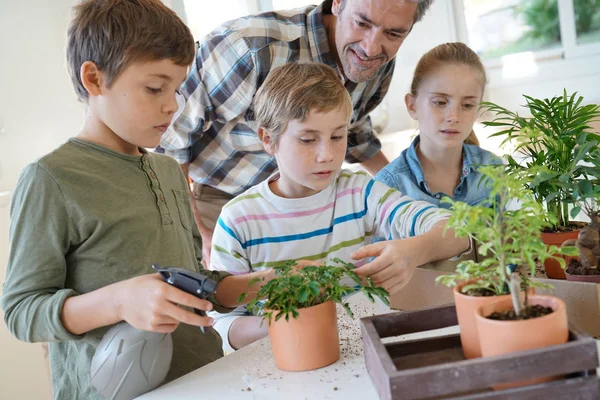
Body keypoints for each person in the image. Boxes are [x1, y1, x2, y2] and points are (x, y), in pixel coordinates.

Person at [0, 1, 275, 398]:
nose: (172, 105)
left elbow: (187, 284)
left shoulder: (169, 171)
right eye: (154, 87)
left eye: (177, 89)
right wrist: (118, 301)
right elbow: (21, 312)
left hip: (206, 379)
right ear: (95, 79)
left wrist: (263, 284)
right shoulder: (51, 179)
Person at [208, 61, 471, 352]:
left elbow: (457, 229)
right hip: (283, 362)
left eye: (337, 136)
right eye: (308, 139)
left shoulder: (359, 192)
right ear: (268, 139)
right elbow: (220, 326)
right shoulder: (238, 220)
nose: (328, 155)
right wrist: (287, 321)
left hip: (361, 351)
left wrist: (414, 250)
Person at [157, 0, 435, 267]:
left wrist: (411, 189)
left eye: (393, 33)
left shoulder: (376, 60)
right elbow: (170, 143)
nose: (371, 47)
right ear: (338, 3)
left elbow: (355, 131)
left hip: (311, 203)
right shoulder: (247, 48)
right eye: (362, 23)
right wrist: (198, 232)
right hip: (220, 200)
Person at [375, 42, 503, 208]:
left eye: (467, 105)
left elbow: (508, 231)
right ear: (412, 106)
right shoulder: (387, 188)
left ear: (478, 109)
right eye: (440, 102)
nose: (454, 117)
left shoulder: (493, 167)